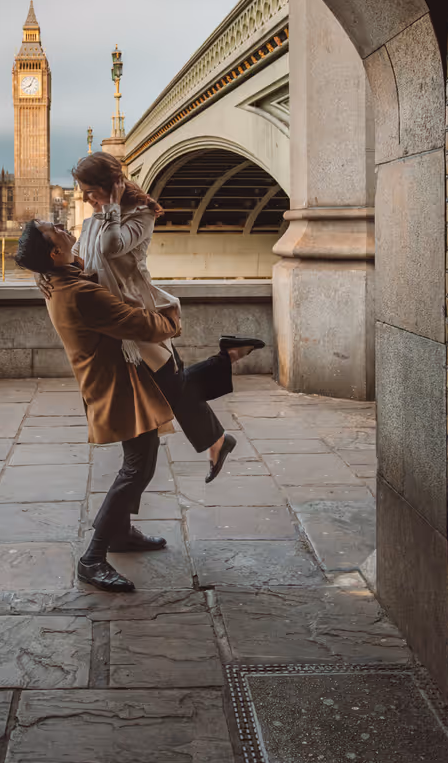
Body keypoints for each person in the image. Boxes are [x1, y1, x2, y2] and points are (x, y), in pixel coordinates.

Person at [64, 151, 264, 482]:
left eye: (89, 190)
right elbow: (80, 258)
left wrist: (111, 207)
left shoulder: (140, 215)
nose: (85, 198)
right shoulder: (95, 217)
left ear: (111, 186)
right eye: (82, 191)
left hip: (136, 315)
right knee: (174, 385)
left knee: (173, 385)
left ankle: (224, 374)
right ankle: (218, 425)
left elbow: (112, 248)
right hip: (117, 315)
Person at [15, 217, 182, 594]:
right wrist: (172, 318)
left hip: (113, 378)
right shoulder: (78, 293)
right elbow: (138, 323)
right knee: (138, 468)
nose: (59, 223)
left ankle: (120, 533)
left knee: (139, 460)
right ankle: (93, 558)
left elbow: (82, 273)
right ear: (55, 251)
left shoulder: (60, 279)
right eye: (51, 228)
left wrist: (42, 271)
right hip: (116, 385)